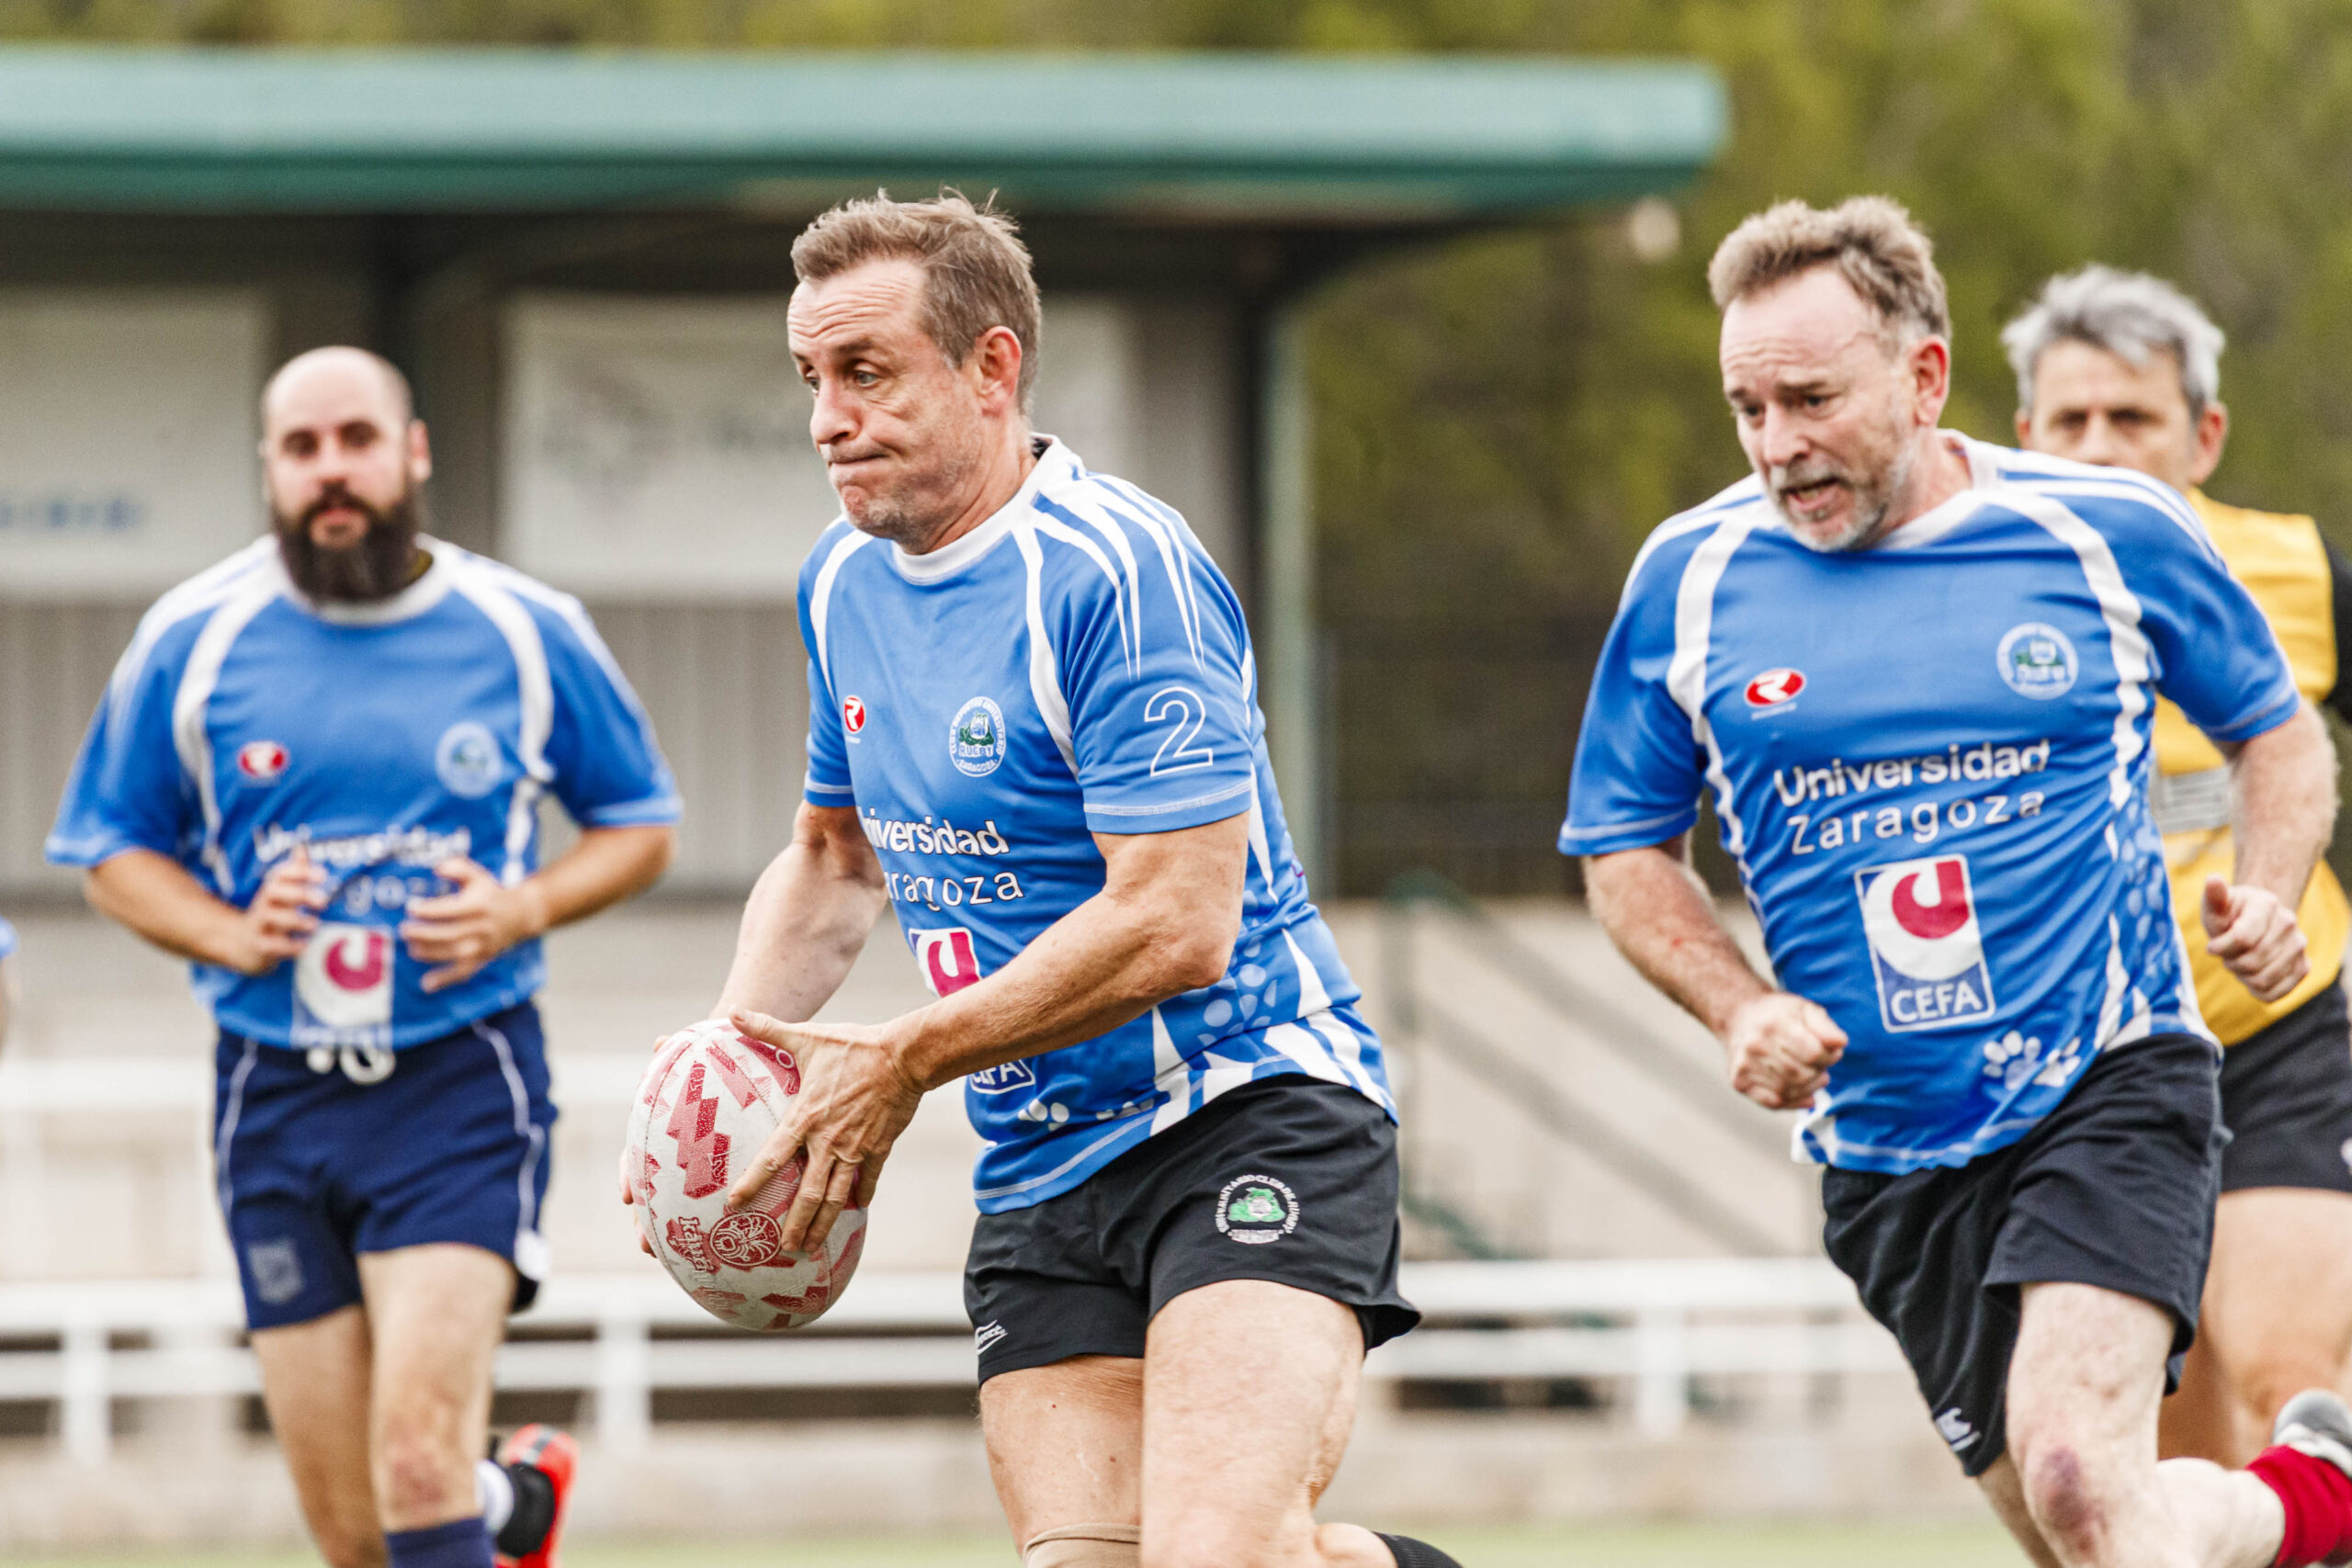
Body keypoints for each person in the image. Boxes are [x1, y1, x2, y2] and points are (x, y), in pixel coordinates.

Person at [636, 191, 1456, 1568]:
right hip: (1043, 1161)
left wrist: (902, 1060)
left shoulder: (1120, 574)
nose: (828, 419)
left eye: (866, 372)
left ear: (992, 367)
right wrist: (728, 1079)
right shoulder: (843, 583)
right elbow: (835, 861)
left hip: (1248, 1111)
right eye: (812, 381)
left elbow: (1180, 923)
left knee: (1217, 1556)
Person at [1560, 195, 2352, 1568]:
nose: (1777, 444)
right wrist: (1738, 1008)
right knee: (2091, 1535)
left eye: (1810, 398)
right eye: (1747, 407)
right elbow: (1625, 854)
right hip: (1888, 1148)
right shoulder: (1688, 579)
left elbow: (2278, 735)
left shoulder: (2105, 532)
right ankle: (2313, 1502)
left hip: (2111, 1076)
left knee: (2078, 1475)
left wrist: (2270, 890)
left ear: (1924, 378)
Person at [48, 347, 681, 1568]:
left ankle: (472, 1501)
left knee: (415, 1463)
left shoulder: (525, 630)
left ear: (415, 452)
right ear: (270, 472)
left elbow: (641, 824)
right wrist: (232, 933)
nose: (331, 472)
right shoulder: (195, 637)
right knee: (352, 1534)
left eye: (356, 440)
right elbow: (110, 851)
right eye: (301, 449)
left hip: (459, 1079)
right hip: (269, 1093)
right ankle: (511, 1510)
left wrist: (516, 908)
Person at [2006, 265, 2352, 1468]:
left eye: (2134, 419)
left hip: (2275, 1034)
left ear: (2203, 436)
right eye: (2072, 421)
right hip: (2082, 1067)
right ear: (2023, 438)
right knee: (2145, 1466)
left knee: (2288, 1383)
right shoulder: (1957, 590)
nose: (2100, 448)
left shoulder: (2300, 575)